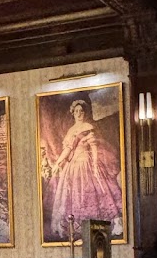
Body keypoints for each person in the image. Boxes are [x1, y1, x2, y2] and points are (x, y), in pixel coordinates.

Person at [49, 99, 123, 240]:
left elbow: (94, 147)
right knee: (72, 196)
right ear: (73, 113)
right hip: (73, 166)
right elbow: (68, 149)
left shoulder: (87, 127)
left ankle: (102, 225)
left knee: (95, 193)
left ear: (85, 113)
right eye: (76, 111)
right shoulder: (71, 130)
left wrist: (94, 164)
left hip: (85, 163)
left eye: (81, 111)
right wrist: (59, 162)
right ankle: (76, 228)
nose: (79, 113)